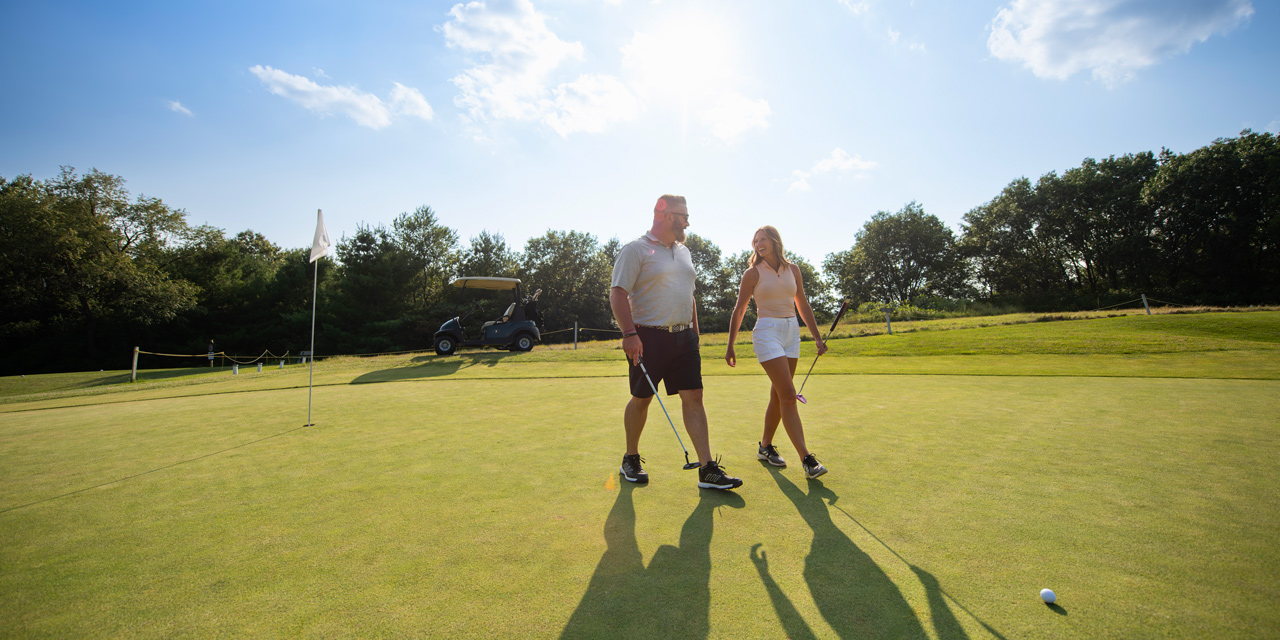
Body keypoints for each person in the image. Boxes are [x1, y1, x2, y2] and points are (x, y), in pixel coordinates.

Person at [610, 195, 743, 491]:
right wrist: (629, 334)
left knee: (694, 397)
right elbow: (617, 293)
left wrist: (695, 332)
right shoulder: (636, 250)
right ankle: (630, 458)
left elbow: (689, 294)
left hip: (684, 338)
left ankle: (707, 468)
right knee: (642, 398)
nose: (687, 221)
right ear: (667, 216)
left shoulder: (684, 252)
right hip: (648, 337)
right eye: (683, 215)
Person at [725, 226, 829, 479]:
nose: (758, 244)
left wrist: (816, 336)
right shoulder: (752, 273)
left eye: (762, 239)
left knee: (779, 394)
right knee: (788, 395)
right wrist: (730, 344)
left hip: (791, 332)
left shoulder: (793, 270)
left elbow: (802, 303)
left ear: (774, 241)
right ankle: (807, 459)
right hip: (767, 332)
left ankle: (765, 447)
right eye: (755, 241)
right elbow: (739, 310)